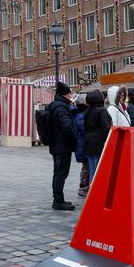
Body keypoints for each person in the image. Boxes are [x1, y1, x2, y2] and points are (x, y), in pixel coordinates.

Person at [46, 82, 77, 210]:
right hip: (62, 146)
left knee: (58, 173)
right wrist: (75, 140)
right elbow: (67, 128)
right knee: (61, 173)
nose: (71, 95)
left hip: (56, 145)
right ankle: (58, 201)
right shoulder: (61, 108)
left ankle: (58, 199)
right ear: (65, 94)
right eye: (69, 93)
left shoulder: (56, 106)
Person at [81, 90, 111, 184]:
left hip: (89, 142)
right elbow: (106, 127)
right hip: (99, 142)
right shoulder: (101, 110)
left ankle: (91, 188)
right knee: (99, 168)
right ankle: (97, 189)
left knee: (92, 167)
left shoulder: (87, 111)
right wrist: (107, 140)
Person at [72, 96, 90, 197]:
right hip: (83, 145)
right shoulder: (80, 115)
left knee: (86, 166)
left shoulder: (80, 113)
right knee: (86, 167)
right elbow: (84, 128)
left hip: (83, 144)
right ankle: (83, 187)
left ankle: (84, 185)